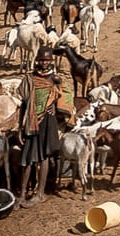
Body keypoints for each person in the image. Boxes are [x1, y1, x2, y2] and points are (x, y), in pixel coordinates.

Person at [16, 50, 72, 204]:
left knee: (44, 156)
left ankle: (40, 193)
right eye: (41, 60)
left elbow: (66, 95)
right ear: (37, 60)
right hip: (31, 120)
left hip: (47, 120)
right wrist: (20, 126)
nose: (44, 63)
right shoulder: (29, 78)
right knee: (27, 158)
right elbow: (24, 102)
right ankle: (22, 194)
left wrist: (56, 106)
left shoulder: (55, 79)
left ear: (51, 61)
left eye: (47, 60)